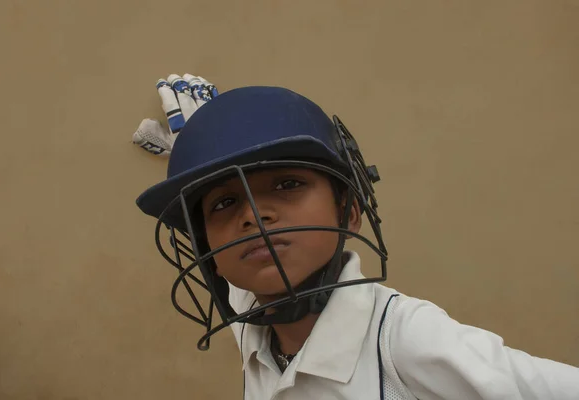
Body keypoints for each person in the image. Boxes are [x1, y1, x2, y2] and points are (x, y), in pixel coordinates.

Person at [136, 85, 579, 399]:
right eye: (225, 202)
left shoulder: (406, 339)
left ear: (349, 210)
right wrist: (200, 142)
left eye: (287, 184)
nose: (252, 213)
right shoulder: (252, 324)